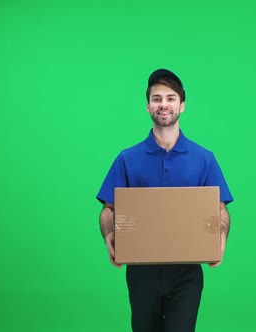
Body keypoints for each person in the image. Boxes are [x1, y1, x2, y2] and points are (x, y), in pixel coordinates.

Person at [96, 68, 233, 332]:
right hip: (141, 270)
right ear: (148, 106)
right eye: (157, 98)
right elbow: (108, 208)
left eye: (171, 98)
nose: (164, 104)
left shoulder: (204, 158)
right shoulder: (127, 158)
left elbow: (219, 208)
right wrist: (109, 233)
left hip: (186, 271)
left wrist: (220, 237)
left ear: (182, 105)